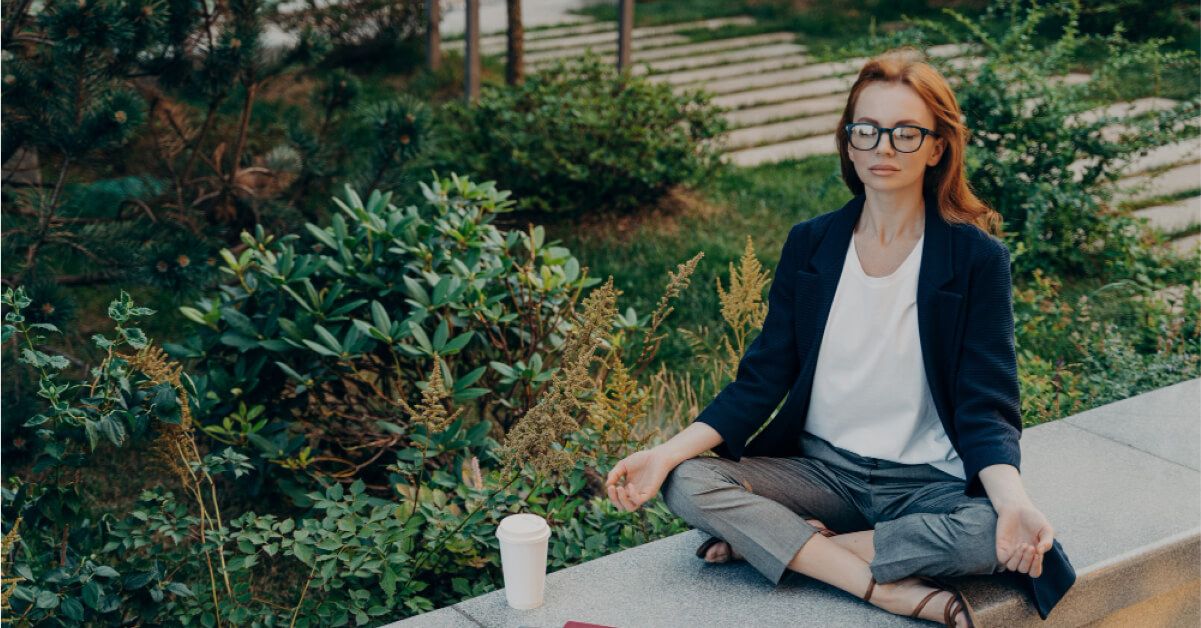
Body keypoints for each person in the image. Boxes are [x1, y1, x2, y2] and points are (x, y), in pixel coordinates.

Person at [602, 47, 1076, 627]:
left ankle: (800, 551)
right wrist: (665, 452)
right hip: (820, 474)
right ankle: (877, 585)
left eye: (906, 133)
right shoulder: (813, 245)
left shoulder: (975, 258)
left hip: (926, 483)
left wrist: (1014, 502)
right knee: (688, 480)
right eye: (868, 130)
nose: (883, 147)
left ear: (937, 147)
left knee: (989, 535)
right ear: (848, 142)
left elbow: (987, 405)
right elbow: (761, 379)